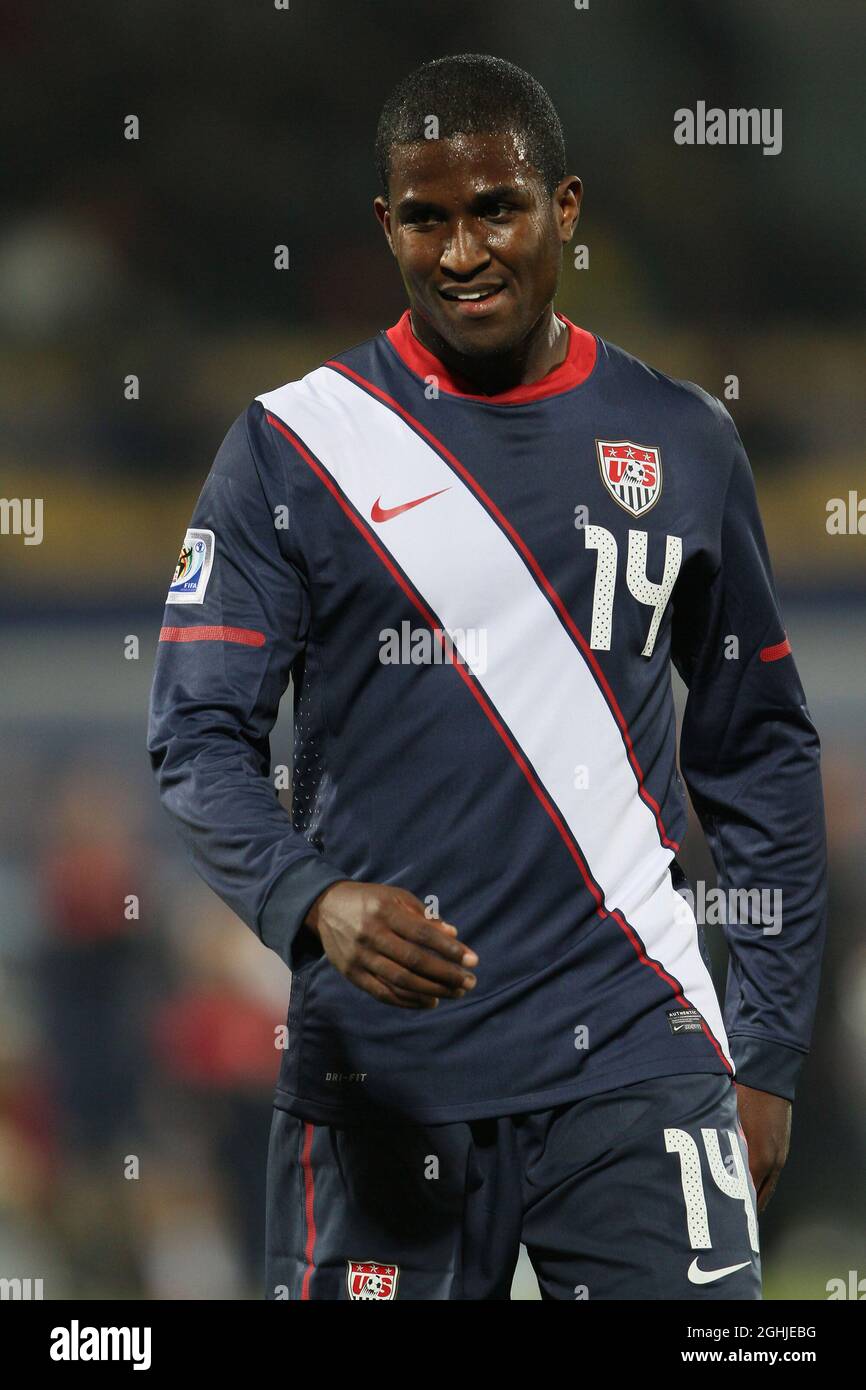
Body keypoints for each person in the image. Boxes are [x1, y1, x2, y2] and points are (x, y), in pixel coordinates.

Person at [147, 53, 827, 1300]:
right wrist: (311, 901)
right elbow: (195, 739)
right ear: (385, 224)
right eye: (427, 217)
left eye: (494, 209)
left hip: (635, 1055)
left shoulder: (683, 440)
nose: (462, 251)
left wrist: (768, 1048)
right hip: (383, 1076)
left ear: (560, 209)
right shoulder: (294, 447)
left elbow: (760, 751)